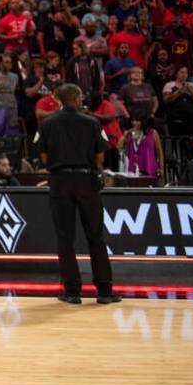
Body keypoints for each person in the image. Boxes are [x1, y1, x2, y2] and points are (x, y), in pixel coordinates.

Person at [33, 84, 121, 305]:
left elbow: (43, 157)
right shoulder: (92, 122)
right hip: (87, 180)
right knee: (96, 236)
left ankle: (72, 292)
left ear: (60, 99)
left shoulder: (47, 124)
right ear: (77, 98)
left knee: (65, 238)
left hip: (60, 181)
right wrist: (93, 170)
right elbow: (101, 155)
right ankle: (104, 290)